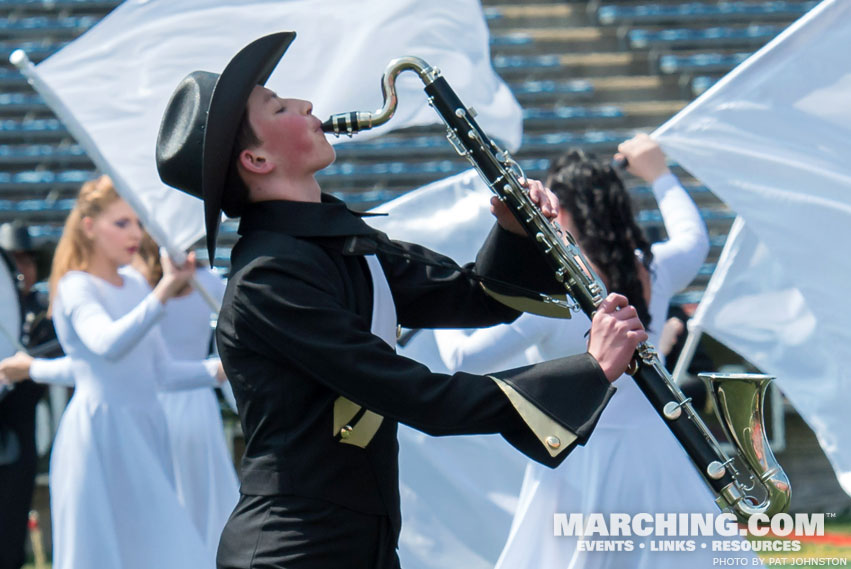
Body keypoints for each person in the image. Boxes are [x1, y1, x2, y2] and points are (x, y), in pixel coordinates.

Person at [154, 32, 648, 569]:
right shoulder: (268, 280)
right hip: (293, 550)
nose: (306, 104)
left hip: (354, 542)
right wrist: (588, 372)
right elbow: (417, 395)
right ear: (256, 157)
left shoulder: (329, 242)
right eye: (279, 106)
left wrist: (514, 230)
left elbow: (476, 298)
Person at [435, 135, 755, 568]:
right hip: (657, 448)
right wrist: (659, 173)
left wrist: (433, 303)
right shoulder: (652, 268)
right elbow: (693, 238)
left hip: (578, 455)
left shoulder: (555, 293)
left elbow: (465, 360)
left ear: (559, 210)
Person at [0, 176, 227, 569]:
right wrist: (164, 292)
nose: (134, 234)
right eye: (121, 223)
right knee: (101, 554)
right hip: (99, 436)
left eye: (136, 223)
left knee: (165, 551)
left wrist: (223, 370)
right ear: (89, 227)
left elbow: (161, 372)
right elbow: (105, 346)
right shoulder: (75, 286)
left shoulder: (137, 286)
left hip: (146, 431)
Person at [132, 233, 239, 559]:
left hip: (163, 399)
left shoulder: (140, 286)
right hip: (194, 397)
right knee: (201, 491)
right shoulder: (205, 281)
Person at [0, 222, 61, 569]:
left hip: (17, 435)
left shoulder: (45, 312)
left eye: (27, 260)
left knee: (10, 532)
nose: (21, 269)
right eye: (13, 260)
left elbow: (53, 356)